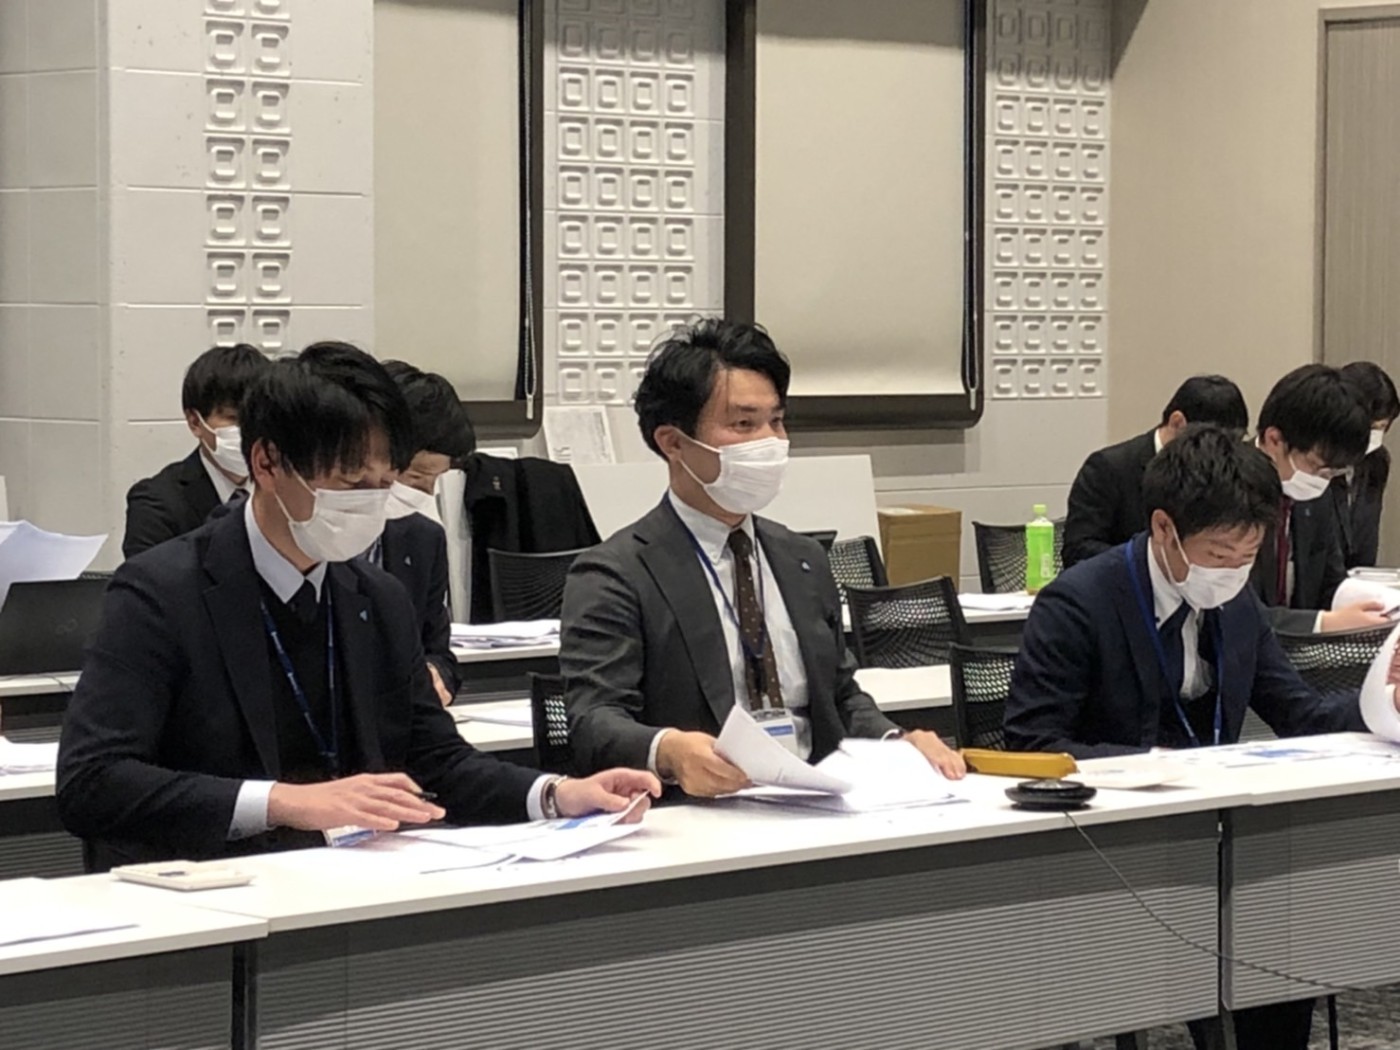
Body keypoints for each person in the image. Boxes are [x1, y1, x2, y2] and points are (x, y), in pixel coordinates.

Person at [57, 342, 657, 867]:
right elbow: (93, 781)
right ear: (267, 462)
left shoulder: (377, 597)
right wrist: (281, 802)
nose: (370, 504)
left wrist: (556, 794)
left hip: (352, 878)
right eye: (349, 483)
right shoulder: (161, 591)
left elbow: (436, 758)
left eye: (384, 483)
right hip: (211, 888)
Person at [1005, 423, 1399, 1050]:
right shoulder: (1078, 604)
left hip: (1219, 838)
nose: (1232, 572)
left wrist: (1381, 706)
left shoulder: (1236, 602)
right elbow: (1031, 746)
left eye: (1247, 557)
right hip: (1113, 844)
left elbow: (1298, 713)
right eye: (1218, 555)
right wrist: (1150, 767)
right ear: (1164, 528)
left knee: (1284, 930)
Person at [560, 319, 965, 796]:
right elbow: (594, 721)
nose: (769, 441)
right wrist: (668, 750)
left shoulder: (802, 559)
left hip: (816, 799)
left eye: (776, 421)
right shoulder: (616, 573)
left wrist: (896, 741)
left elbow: (839, 697)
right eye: (743, 424)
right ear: (673, 443)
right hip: (702, 808)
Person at [1250, 363, 1387, 633]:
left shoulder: (1315, 493)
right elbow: (1230, 614)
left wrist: (1380, 604)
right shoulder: (1224, 491)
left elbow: (1331, 581)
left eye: (1333, 473)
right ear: (1274, 440)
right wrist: (1321, 623)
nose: (1323, 480)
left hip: (1303, 650)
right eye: (1316, 466)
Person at [1062, 375, 1248, 568]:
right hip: (1125, 582)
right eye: (1211, 443)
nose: (1222, 452)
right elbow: (1078, 549)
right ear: (1177, 423)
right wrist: (1154, 563)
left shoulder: (1226, 474)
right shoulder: (1109, 468)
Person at [377, 360, 476, 705]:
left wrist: (435, 675)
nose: (424, 494)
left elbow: (439, 652)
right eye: (415, 478)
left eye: (435, 480)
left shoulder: (423, 539)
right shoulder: (317, 538)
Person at [122, 343, 270, 558]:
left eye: (258, 419)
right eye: (233, 419)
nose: (248, 431)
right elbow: (147, 577)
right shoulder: (156, 502)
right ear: (195, 422)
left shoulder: (289, 489)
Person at [1330, 361, 1400, 568]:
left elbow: (1367, 538)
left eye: (1381, 427)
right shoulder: (1316, 464)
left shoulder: (1377, 461)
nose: (1372, 436)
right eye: (1368, 427)